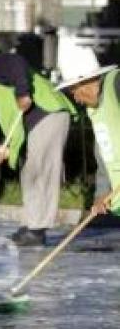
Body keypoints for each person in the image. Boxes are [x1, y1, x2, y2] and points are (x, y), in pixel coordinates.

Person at [0, 44, 76, 246]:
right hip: (38, 123)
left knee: (39, 172)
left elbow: (16, 61)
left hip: (47, 115)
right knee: (31, 172)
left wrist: (23, 92)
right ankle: (34, 225)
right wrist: (4, 146)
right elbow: (9, 120)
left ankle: (36, 229)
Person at [56, 47, 120, 215]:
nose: (75, 98)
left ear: (86, 81)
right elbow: (104, 153)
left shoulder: (116, 83)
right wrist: (101, 193)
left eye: (73, 90)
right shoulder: (94, 110)